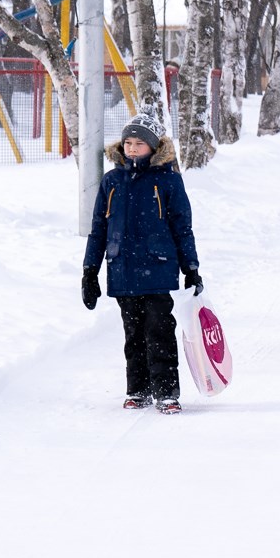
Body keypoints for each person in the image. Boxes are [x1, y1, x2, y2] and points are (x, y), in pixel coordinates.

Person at [81, 113, 202, 414]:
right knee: (132, 334)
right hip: (122, 269)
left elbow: (182, 226)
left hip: (158, 267)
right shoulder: (112, 181)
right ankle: (138, 389)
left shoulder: (169, 180)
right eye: (128, 143)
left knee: (159, 330)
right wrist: (89, 272)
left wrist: (191, 268)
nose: (132, 149)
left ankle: (166, 392)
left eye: (139, 143)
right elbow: (99, 229)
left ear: (152, 146)